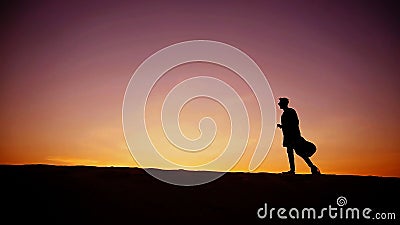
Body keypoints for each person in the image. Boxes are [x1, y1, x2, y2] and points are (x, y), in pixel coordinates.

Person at [277, 97, 320, 175]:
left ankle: (311, 167)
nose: (279, 104)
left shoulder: (291, 111)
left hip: (294, 136)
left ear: (284, 103)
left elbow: (295, 123)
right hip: (288, 136)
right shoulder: (284, 114)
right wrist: (282, 126)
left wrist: (284, 126)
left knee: (299, 152)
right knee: (291, 152)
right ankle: (293, 170)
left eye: (280, 103)